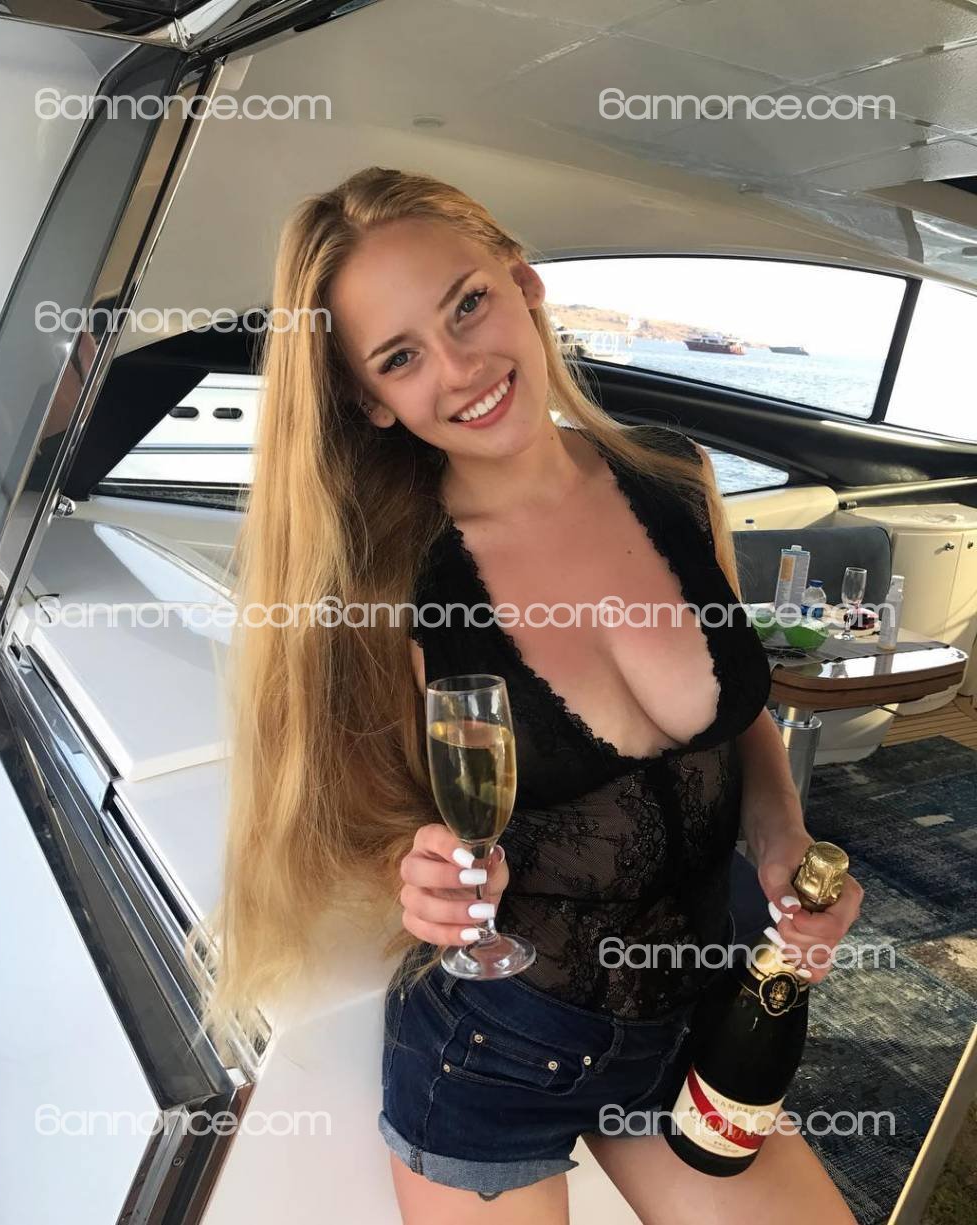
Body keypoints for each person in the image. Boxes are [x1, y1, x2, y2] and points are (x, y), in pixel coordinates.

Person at [195, 166, 864, 1224]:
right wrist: (417, 874)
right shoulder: (391, 580)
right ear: (371, 400)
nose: (461, 366)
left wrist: (784, 837)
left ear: (523, 280)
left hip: (696, 1015)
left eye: (468, 303)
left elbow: (737, 721)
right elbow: (349, 816)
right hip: (498, 1048)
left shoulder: (678, 480)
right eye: (401, 357)